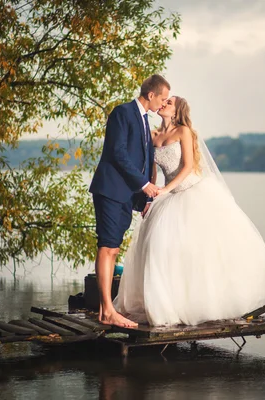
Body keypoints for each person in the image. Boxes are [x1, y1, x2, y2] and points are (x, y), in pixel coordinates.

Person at [114, 96, 265, 326]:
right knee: (159, 248)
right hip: (166, 196)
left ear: (177, 110)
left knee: (197, 251)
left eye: (169, 102)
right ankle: (163, 303)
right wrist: (148, 199)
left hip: (192, 192)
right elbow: (151, 173)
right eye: (164, 101)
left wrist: (166, 189)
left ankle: (200, 303)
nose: (163, 104)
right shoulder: (151, 136)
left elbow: (189, 167)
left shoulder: (184, 132)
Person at [89, 74, 170, 328]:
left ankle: (105, 311)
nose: (163, 104)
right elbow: (118, 154)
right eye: (163, 98)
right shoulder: (122, 113)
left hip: (126, 195)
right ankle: (108, 311)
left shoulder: (145, 120)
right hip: (111, 191)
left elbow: (143, 162)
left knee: (113, 248)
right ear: (150, 95)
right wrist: (146, 186)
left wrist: (142, 198)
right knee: (108, 247)